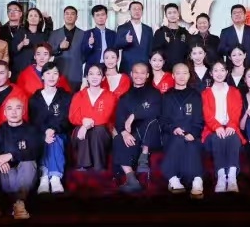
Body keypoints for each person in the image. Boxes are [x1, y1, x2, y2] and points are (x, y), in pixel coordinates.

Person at [0, 97, 42, 220]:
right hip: (5, 176)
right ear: (5, 112)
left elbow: (35, 151)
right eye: (9, 108)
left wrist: (10, 156)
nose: (13, 112)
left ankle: (19, 204)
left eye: (17, 108)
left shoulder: (32, 130)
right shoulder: (0, 130)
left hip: (23, 179)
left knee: (29, 162)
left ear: (23, 111)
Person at [113, 62, 162, 193]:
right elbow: (119, 119)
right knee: (118, 139)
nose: (139, 75)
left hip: (150, 133)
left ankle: (144, 156)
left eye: (142, 73)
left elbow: (155, 111)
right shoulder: (125, 97)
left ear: (147, 75)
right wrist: (124, 133)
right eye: (136, 72)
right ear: (131, 74)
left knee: (152, 121)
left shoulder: (154, 93)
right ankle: (132, 179)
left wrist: (133, 116)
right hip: (133, 133)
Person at [161, 63, 206, 198]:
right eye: (178, 73)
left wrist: (193, 133)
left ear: (189, 75)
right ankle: (173, 178)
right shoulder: (167, 96)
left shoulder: (195, 95)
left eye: (185, 73)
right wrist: (173, 129)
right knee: (178, 140)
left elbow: (199, 119)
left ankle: (197, 180)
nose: (182, 76)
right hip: (171, 134)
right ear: (173, 75)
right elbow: (163, 120)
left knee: (191, 142)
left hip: (192, 133)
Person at [29, 62, 72, 194]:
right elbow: (33, 121)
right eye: (48, 73)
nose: (51, 77)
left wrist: (53, 129)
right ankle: (45, 177)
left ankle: (53, 177)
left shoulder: (66, 97)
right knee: (45, 139)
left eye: (55, 73)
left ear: (59, 76)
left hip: (60, 134)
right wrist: (45, 132)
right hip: (40, 134)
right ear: (42, 76)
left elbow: (67, 119)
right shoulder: (34, 99)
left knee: (54, 139)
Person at [202, 61, 244, 193]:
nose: (219, 73)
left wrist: (231, 125)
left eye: (222, 70)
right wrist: (217, 127)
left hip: (231, 126)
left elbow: (237, 111)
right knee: (217, 137)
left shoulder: (234, 91)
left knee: (233, 137)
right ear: (211, 73)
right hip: (212, 129)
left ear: (226, 73)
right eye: (215, 70)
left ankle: (232, 177)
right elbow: (207, 114)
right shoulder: (205, 93)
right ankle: (221, 176)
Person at [68, 64, 117, 172]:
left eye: (98, 74)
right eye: (91, 74)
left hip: (102, 132)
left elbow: (105, 117)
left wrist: (85, 126)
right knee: (83, 130)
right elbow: (72, 116)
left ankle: (98, 167)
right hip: (80, 131)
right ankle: (84, 165)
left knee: (98, 129)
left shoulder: (110, 96)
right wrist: (83, 122)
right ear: (86, 77)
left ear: (103, 78)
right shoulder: (78, 95)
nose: (94, 77)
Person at [48, 6, 85, 90]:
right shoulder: (54, 34)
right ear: (64, 16)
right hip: (58, 74)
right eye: (67, 14)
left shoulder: (83, 34)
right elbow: (49, 52)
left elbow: (85, 54)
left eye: (72, 14)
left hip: (76, 74)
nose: (69, 16)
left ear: (76, 17)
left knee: (75, 97)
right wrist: (59, 47)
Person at [116, 1, 153, 74]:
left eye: (139, 9)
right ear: (129, 11)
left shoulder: (148, 29)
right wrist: (125, 40)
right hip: (128, 66)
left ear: (142, 12)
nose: (137, 11)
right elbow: (116, 45)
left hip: (144, 66)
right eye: (134, 9)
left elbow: (151, 48)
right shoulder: (122, 28)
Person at [11, 6, 50, 76]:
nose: (33, 18)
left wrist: (47, 18)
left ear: (40, 19)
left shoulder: (42, 35)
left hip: (37, 70)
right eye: (31, 16)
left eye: (36, 16)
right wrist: (22, 43)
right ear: (27, 19)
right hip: (21, 69)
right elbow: (13, 50)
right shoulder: (20, 32)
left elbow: (49, 30)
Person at [152, 3, 191, 69]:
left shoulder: (184, 32)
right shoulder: (160, 32)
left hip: (181, 69)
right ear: (166, 15)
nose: (172, 15)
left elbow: (189, 51)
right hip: (165, 69)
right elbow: (155, 52)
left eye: (174, 12)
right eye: (169, 13)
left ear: (178, 14)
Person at [81, 5, 117, 74]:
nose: (100, 17)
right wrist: (90, 44)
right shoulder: (87, 33)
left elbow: (116, 52)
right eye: (97, 15)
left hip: (109, 68)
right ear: (93, 17)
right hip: (92, 68)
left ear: (106, 16)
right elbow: (83, 53)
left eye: (103, 14)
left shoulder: (113, 34)